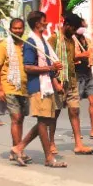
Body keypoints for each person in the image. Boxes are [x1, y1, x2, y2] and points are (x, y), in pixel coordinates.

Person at [22, 10, 66, 168]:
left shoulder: (43, 42)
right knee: (43, 121)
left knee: (46, 120)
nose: (47, 23)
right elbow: (27, 67)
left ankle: (18, 147)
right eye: (44, 21)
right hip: (37, 86)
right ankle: (48, 157)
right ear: (37, 24)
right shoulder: (30, 42)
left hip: (47, 85)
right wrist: (50, 67)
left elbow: (50, 66)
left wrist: (55, 74)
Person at [51, 14, 93, 156]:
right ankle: (51, 143)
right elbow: (47, 63)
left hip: (71, 80)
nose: (75, 31)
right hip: (58, 82)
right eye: (74, 28)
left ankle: (78, 144)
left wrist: (85, 55)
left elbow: (71, 58)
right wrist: (55, 83)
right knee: (55, 114)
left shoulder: (71, 40)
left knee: (75, 111)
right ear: (67, 25)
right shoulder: (54, 39)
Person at [0, 17, 31, 165]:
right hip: (9, 86)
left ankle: (15, 148)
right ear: (10, 30)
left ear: (23, 29)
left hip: (25, 88)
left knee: (21, 119)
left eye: (20, 28)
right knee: (15, 118)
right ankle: (19, 151)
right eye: (14, 28)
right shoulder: (3, 46)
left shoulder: (27, 45)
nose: (17, 31)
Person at [71, 21, 93, 139]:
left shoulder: (87, 40)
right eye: (81, 26)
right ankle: (77, 133)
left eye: (84, 26)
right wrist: (83, 55)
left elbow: (91, 53)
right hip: (77, 73)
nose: (83, 28)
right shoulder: (71, 39)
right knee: (75, 104)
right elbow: (71, 56)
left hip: (88, 72)